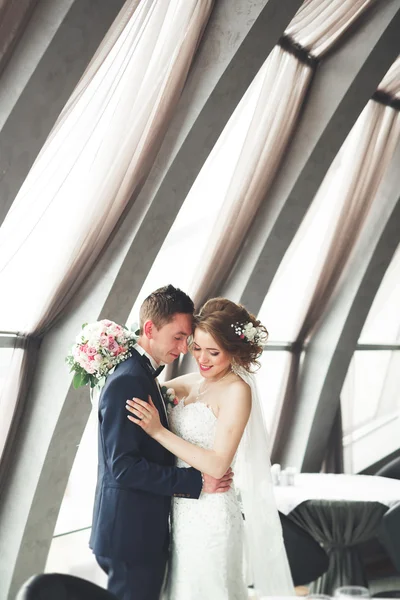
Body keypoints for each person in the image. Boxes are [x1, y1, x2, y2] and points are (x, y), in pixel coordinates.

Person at [126, 297, 294, 599]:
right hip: (180, 511)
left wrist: (158, 431)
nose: (202, 359)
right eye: (196, 347)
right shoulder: (193, 382)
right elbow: (140, 385)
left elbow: (218, 465)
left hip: (212, 513)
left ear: (234, 350)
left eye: (213, 352)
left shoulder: (237, 391)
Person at [89, 286, 233, 600]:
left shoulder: (142, 374)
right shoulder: (130, 379)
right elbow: (123, 468)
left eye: (187, 339)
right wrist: (196, 481)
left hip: (136, 531)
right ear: (151, 329)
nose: (184, 349)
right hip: (130, 537)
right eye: (178, 337)